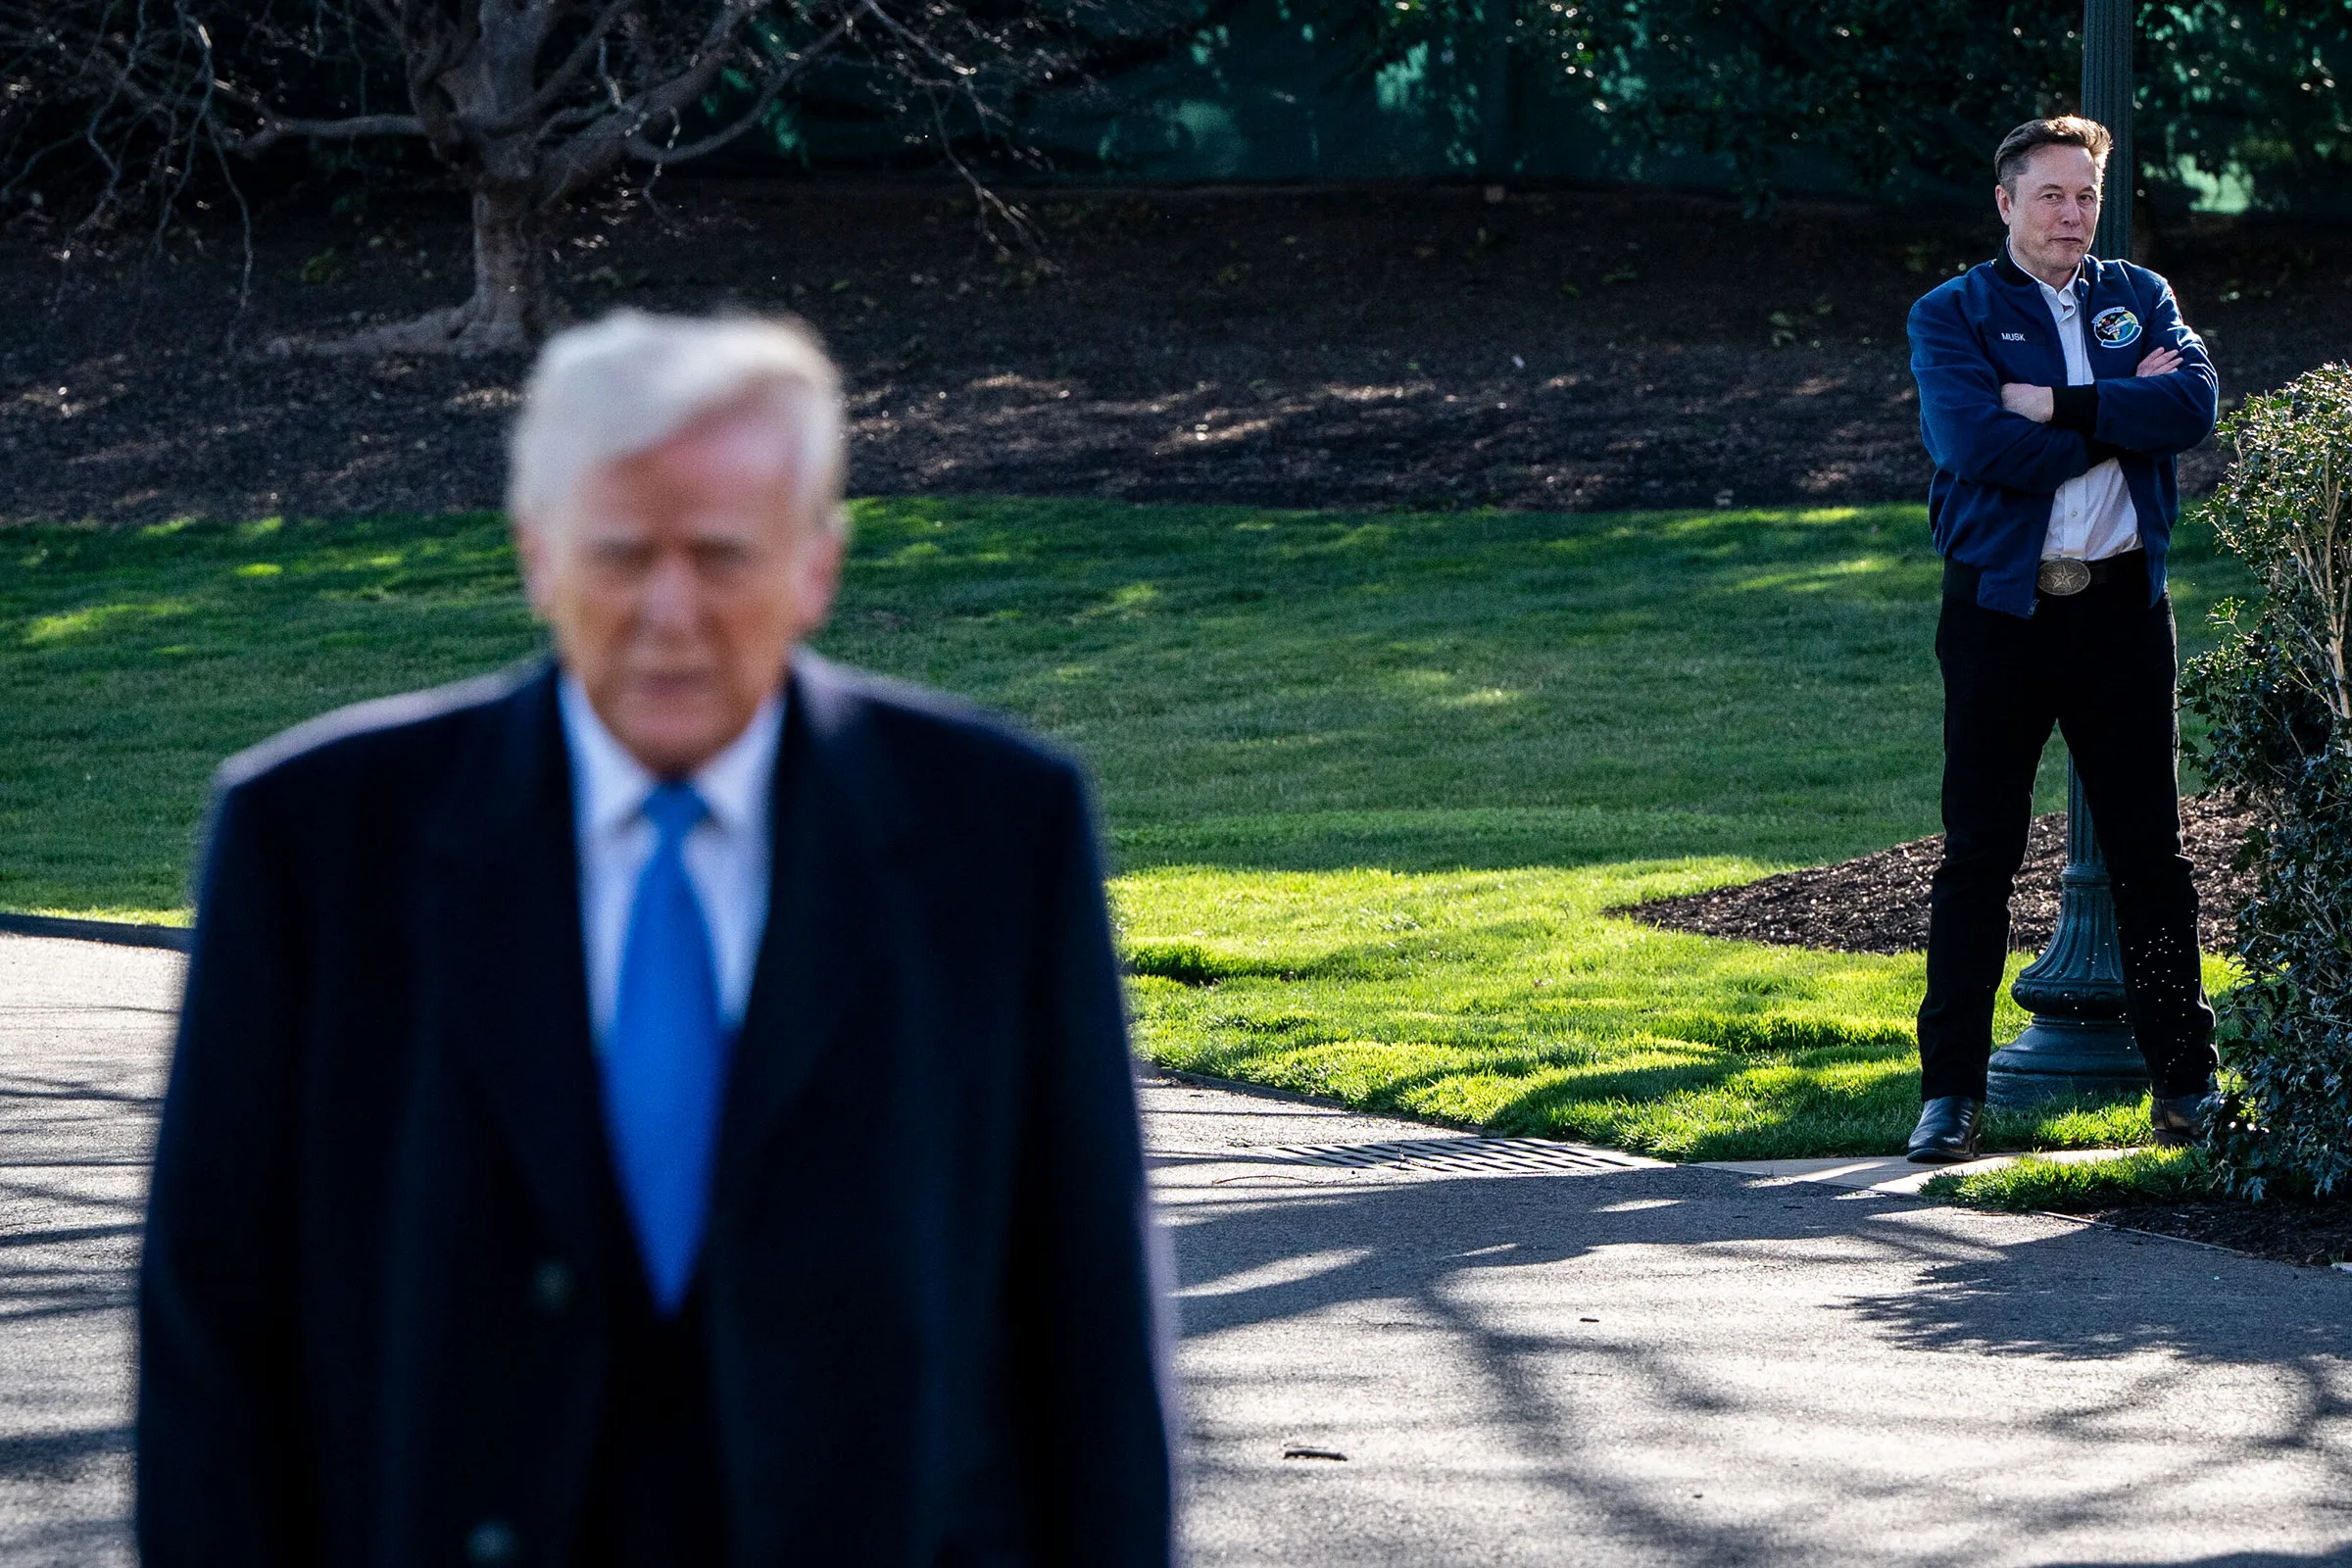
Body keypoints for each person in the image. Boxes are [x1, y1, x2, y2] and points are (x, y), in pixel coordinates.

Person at [135, 311, 1176, 1564]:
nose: (668, 613)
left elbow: (1090, 1329)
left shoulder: (1000, 833)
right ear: (536, 557)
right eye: (623, 555)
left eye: (723, 555)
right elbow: (212, 1326)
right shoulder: (311, 841)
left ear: (816, 568)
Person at [1901, 117, 2221, 1164]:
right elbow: (1975, 443)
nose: (2072, 215)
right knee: (1979, 853)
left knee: (2151, 858)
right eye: (2051, 195)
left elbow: (2195, 404)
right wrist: (2119, 413)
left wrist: (2065, 405)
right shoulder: (1952, 314)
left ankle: (2186, 1086)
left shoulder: (2140, 295)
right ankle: (1950, 1095)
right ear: (2006, 203)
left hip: (2124, 612)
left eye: (2084, 195)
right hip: (2003, 611)